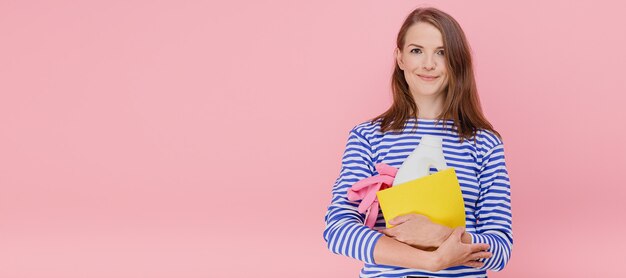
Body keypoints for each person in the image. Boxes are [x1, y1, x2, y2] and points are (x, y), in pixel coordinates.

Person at [322, 6, 513, 278]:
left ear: (456, 61)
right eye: (416, 50)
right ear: (399, 58)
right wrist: (431, 261)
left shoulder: (484, 143)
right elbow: (338, 230)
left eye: (442, 52)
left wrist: (440, 235)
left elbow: (501, 248)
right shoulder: (367, 136)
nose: (428, 64)